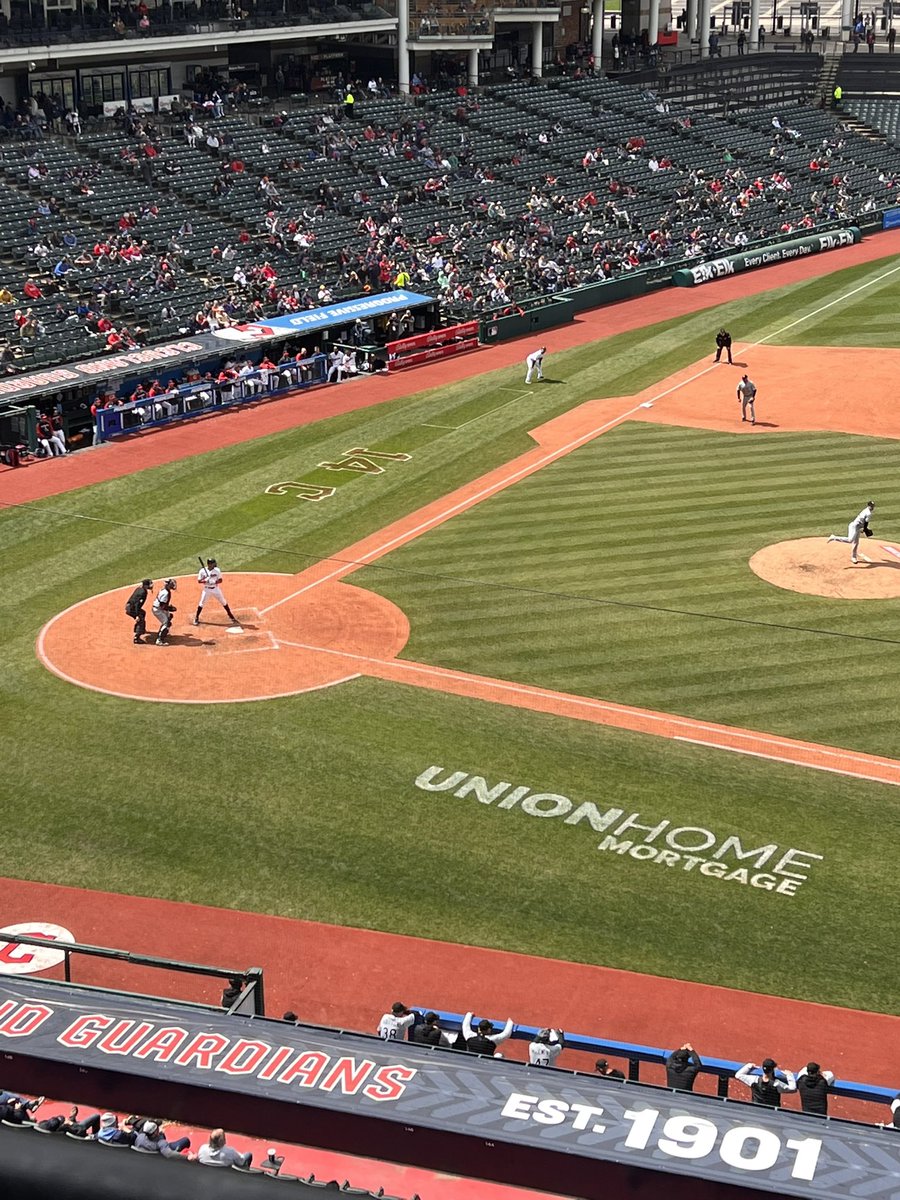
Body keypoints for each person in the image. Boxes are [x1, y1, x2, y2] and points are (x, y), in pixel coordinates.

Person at [192, 558, 240, 627]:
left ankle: (230, 615)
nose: (215, 564)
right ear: (210, 564)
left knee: (223, 601)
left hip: (216, 589)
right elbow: (199, 581)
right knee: (201, 603)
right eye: (213, 563)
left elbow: (220, 580)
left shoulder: (217, 570)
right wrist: (205, 581)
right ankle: (196, 617)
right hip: (207, 590)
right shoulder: (202, 571)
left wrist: (214, 582)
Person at [827, 500, 875, 565]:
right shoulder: (868, 513)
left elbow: (863, 523)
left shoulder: (866, 510)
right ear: (868, 506)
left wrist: (864, 529)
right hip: (854, 526)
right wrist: (865, 529)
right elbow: (866, 524)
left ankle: (853, 557)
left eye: (873, 506)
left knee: (856, 543)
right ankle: (833, 537)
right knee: (850, 540)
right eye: (871, 506)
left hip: (857, 527)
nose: (872, 507)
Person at [125, 578, 153, 644]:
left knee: (143, 613)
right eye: (149, 584)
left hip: (129, 606)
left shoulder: (139, 588)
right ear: (145, 585)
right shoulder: (143, 592)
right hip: (132, 608)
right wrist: (136, 615)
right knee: (141, 620)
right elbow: (137, 604)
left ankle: (138, 629)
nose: (150, 586)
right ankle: (136, 638)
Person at [152, 578, 177, 645]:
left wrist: (168, 608)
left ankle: (162, 631)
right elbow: (162, 606)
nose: (173, 585)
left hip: (159, 608)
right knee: (166, 623)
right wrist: (170, 608)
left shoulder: (164, 590)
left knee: (169, 617)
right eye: (171, 584)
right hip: (158, 610)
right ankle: (159, 640)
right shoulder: (165, 593)